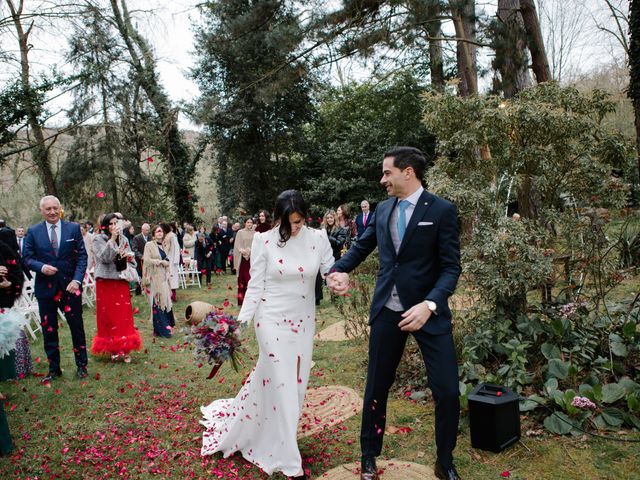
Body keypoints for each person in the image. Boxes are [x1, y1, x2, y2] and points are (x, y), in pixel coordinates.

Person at [328, 147, 462, 480]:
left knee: (447, 390)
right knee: (376, 386)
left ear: (408, 172)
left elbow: (451, 267)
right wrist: (340, 269)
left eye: (387, 172)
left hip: (428, 313)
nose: (382, 179)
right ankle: (369, 456)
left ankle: (444, 462)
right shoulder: (383, 209)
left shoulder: (442, 210)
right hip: (388, 309)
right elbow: (362, 246)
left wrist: (430, 304)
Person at [200, 190, 335, 479]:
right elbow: (255, 285)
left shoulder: (318, 239)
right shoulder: (264, 241)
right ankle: (289, 461)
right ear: (278, 219)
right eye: (289, 223)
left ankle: (266, 429)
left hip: (302, 322)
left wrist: (338, 279)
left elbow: (329, 270)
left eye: (299, 222)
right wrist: (240, 322)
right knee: (283, 383)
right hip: (271, 320)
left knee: (295, 386)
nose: (295, 228)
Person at [22, 195, 89, 381]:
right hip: (45, 288)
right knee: (49, 329)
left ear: (60, 208)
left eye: (55, 208)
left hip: (70, 287)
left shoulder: (73, 228)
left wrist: (77, 280)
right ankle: (54, 369)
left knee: (77, 327)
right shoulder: (33, 232)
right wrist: (42, 267)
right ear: (41, 211)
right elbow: (26, 258)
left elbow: (82, 257)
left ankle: (82, 366)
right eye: (48, 209)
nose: (52, 212)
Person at [90, 214, 143, 362]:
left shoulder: (125, 239)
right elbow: (105, 258)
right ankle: (113, 348)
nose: (114, 227)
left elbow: (132, 263)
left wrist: (128, 258)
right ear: (105, 226)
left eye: (116, 223)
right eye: (111, 224)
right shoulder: (98, 239)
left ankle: (125, 348)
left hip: (121, 281)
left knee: (123, 317)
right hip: (105, 282)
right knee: (109, 317)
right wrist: (112, 240)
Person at [142, 225, 175, 338]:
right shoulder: (149, 245)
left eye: (161, 231)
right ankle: (163, 329)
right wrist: (160, 262)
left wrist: (166, 263)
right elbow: (146, 260)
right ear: (153, 234)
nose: (160, 233)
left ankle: (159, 329)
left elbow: (166, 259)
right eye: (157, 231)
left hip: (163, 277)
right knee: (157, 300)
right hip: (154, 277)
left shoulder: (164, 245)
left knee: (165, 300)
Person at [232, 217, 255, 305]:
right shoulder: (240, 232)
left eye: (251, 222)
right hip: (242, 260)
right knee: (242, 280)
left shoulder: (255, 233)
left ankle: (250, 301)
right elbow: (237, 245)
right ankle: (241, 301)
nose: (249, 224)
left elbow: (257, 245)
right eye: (248, 222)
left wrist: (250, 251)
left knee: (250, 279)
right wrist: (243, 251)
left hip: (252, 259)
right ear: (245, 223)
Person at [162, 223, 180, 301]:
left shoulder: (172, 236)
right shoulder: (165, 236)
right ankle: (167, 295)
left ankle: (173, 295)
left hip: (172, 260)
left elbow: (176, 248)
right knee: (167, 278)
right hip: (166, 259)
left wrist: (176, 260)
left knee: (172, 278)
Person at [131, 223, 150, 295]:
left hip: (148, 260)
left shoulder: (150, 237)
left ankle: (148, 290)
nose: (147, 232)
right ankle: (138, 291)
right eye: (146, 230)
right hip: (139, 261)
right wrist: (141, 256)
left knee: (148, 275)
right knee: (139, 275)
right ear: (142, 230)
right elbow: (134, 249)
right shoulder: (137, 238)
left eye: (148, 230)